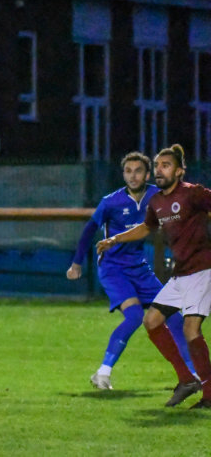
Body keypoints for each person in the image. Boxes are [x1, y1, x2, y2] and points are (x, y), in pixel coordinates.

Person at [66, 151, 195, 392]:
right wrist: (76, 263)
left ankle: (193, 374)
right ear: (123, 175)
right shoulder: (111, 202)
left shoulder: (157, 195)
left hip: (140, 268)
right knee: (134, 316)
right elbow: (89, 230)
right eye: (128, 171)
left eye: (138, 171)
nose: (132, 176)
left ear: (147, 175)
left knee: (175, 317)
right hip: (113, 269)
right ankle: (103, 373)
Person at [97, 144, 211, 408]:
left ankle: (209, 395)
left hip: (202, 270)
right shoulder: (157, 201)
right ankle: (186, 379)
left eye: (166, 165)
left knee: (190, 329)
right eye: (158, 165)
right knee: (151, 321)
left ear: (179, 171)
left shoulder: (192, 193)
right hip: (181, 274)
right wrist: (115, 239)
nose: (159, 170)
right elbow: (146, 227)